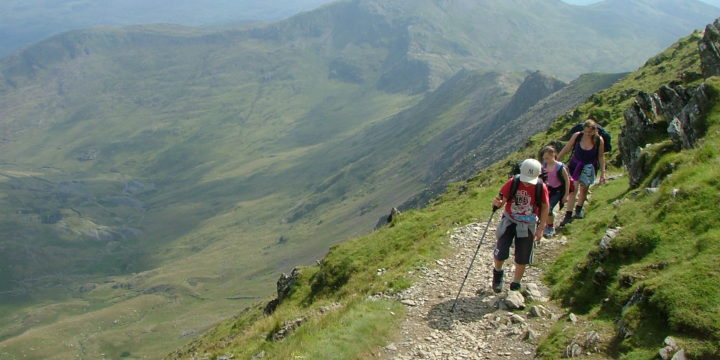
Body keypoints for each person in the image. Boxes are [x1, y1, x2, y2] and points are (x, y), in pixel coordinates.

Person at [491, 159, 549, 293]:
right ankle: (498, 274)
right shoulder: (513, 183)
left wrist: (540, 229)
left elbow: (545, 207)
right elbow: (501, 200)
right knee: (501, 250)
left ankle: (516, 283)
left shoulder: (540, 187)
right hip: (510, 220)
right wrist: (496, 204)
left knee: (523, 255)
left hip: (528, 224)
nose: (527, 183)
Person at [557, 119, 606, 226]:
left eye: (590, 132)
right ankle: (568, 215)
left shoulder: (599, 140)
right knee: (573, 190)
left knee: (584, 190)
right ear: (583, 129)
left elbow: (601, 157)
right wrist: (557, 160)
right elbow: (567, 148)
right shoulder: (577, 136)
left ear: (594, 130)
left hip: (588, 168)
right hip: (575, 166)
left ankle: (578, 209)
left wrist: (603, 172)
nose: (587, 134)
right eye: (586, 131)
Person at [540, 146, 571, 237]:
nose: (545, 160)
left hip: (557, 191)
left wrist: (566, 195)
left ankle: (550, 227)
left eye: (547, 158)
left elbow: (567, 180)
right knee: (543, 207)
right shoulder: (544, 166)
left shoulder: (560, 167)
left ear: (553, 155)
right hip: (547, 190)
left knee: (548, 208)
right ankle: (545, 224)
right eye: (544, 158)